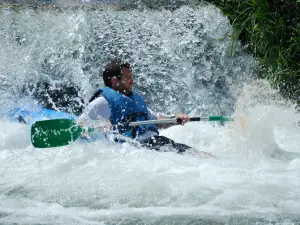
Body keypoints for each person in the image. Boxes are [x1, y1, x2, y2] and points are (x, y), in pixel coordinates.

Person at [78, 60, 210, 155]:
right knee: (195, 156)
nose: (132, 81)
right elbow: (80, 128)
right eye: (128, 78)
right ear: (114, 81)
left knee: (197, 155)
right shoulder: (102, 103)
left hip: (153, 144)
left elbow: (157, 120)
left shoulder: (135, 100)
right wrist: (101, 126)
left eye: (131, 77)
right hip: (137, 149)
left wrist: (175, 119)